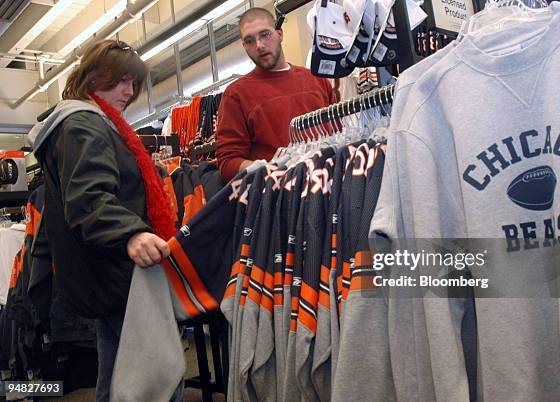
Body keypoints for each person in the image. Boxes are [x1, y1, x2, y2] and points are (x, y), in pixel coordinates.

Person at [27, 39, 178, 401]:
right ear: (94, 76)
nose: (129, 91)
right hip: (119, 273)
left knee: (117, 376)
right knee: (158, 379)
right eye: (121, 80)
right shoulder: (85, 125)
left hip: (102, 276)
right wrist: (132, 236)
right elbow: (89, 198)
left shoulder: (82, 121)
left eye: (133, 83)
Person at [215, 7, 336, 182]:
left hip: (327, 186)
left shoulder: (317, 80)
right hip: (277, 198)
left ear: (280, 34)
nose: (259, 45)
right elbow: (227, 163)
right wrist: (267, 170)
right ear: (244, 46)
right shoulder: (236, 95)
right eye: (250, 41)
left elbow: (341, 132)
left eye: (265, 34)